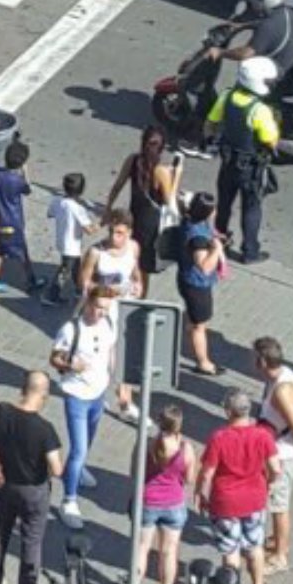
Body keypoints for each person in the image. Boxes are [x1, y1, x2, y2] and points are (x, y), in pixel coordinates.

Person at [0, 368, 62, 584]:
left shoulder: (2, 411)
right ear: (44, 395)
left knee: (0, 536)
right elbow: (57, 469)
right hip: (34, 492)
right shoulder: (45, 429)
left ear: (23, 388)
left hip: (6, 485)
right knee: (31, 542)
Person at [196, 391, 280, 584]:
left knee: (230, 550)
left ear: (227, 411)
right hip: (254, 499)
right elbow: (276, 468)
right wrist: (268, 483)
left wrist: (200, 492)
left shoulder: (219, 438)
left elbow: (207, 473)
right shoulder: (262, 435)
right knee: (254, 546)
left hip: (225, 503)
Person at [50, 288, 116, 527]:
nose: (101, 313)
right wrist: (71, 365)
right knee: (78, 448)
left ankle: (79, 469)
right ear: (88, 303)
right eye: (98, 307)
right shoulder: (71, 329)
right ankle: (69, 500)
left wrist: (113, 375)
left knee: (88, 439)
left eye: (105, 308)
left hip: (98, 392)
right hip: (76, 394)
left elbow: (110, 348)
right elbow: (54, 358)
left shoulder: (107, 323)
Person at [209, 55, 280, 264]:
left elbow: (212, 122)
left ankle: (219, 239)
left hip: (228, 162)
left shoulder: (226, 96)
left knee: (224, 203)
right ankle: (250, 251)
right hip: (250, 168)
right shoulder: (260, 110)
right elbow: (271, 140)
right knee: (251, 208)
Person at [253, 334, 293, 574]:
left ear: (262, 362)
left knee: (278, 504)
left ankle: (280, 555)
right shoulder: (285, 375)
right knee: (278, 501)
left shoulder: (281, 390)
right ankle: (277, 540)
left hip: (282, 453)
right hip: (280, 449)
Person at [79, 210, 143, 417]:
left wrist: (138, 284)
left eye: (120, 233)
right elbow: (84, 282)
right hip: (102, 309)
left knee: (126, 354)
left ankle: (125, 401)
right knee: (107, 354)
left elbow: (135, 272)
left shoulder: (133, 247)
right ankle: (111, 397)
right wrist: (107, 290)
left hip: (126, 306)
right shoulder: (96, 252)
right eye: (112, 232)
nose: (114, 238)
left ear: (130, 232)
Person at [107, 126, 181, 295]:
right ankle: (141, 297)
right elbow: (171, 201)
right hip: (151, 225)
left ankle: (122, 290)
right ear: (161, 148)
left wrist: (108, 208)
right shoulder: (161, 171)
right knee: (143, 267)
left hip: (133, 218)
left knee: (130, 258)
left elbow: (118, 185)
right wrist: (176, 176)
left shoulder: (133, 160)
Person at [138, 404, 197, 584]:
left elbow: (134, 473)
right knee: (169, 552)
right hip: (174, 503)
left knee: (142, 548)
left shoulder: (147, 445)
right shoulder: (186, 448)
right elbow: (189, 479)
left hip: (148, 502)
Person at [212, 0, 293, 85]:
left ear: (262, 1)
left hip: (271, 81)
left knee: (237, 93)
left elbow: (245, 54)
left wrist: (219, 52)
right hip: (286, 72)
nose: (251, 5)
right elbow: (267, 27)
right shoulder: (287, 12)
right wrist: (242, 26)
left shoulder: (267, 27)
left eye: (253, 1)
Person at [175, 192, 224, 375]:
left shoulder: (189, 219)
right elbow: (204, 267)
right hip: (197, 285)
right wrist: (217, 250)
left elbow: (181, 200)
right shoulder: (198, 239)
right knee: (200, 325)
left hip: (187, 280)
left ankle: (190, 324)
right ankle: (203, 363)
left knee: (195, 318)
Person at [0, 138, 36, 294]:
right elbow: (28, 190)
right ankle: (31, 280)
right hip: (13, 223)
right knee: (22, 254)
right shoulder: (17, 181)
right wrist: (25, 172)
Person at [45, 172, 94, 305]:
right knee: (65, 270)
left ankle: (79, 289)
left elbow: (50, 214)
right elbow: (89, 230)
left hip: (62, 240)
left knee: (75, 266)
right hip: (71, 245)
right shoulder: (78, 208)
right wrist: (101, 224)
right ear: (81, 190)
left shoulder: (57, 200)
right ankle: (51, 296)